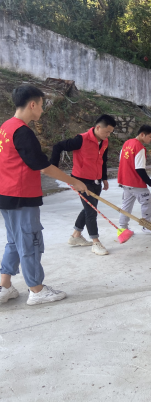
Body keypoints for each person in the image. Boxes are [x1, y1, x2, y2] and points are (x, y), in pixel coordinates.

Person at [0, 85, 88, 306]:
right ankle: (36, 290)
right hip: (21, 196)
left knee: (14, 241)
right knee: (30, 242)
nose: (42, 109)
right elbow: (43, 166)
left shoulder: (5, 127)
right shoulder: (22, 132)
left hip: (6, 194)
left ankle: (5, 286)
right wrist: (75, 181)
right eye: (41, 104)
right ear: (32, 104)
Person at [50, 115, 115, 256]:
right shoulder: (81, 139)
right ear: (98, 127)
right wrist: (53, 167)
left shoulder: (104, 141)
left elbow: (103, 159)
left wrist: (104, 178)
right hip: (81, 181)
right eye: (107, 132)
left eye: (110, 132)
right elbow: (58, 146)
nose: (108, 135)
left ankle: (75, 236)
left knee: (89, 207)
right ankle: (95, 242)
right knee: (91, 210)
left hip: (96, 181)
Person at [118, 125, 151, 234]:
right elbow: (140, 169)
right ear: (142, 134)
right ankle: (146, 226)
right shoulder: (140, 148)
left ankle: (123, 228)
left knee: (126, 204)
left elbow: (121, 159)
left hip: (125, 181)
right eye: (150, 137)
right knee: (147, 202)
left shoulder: (127, 143)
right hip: (135, 182)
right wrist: (150, 182)